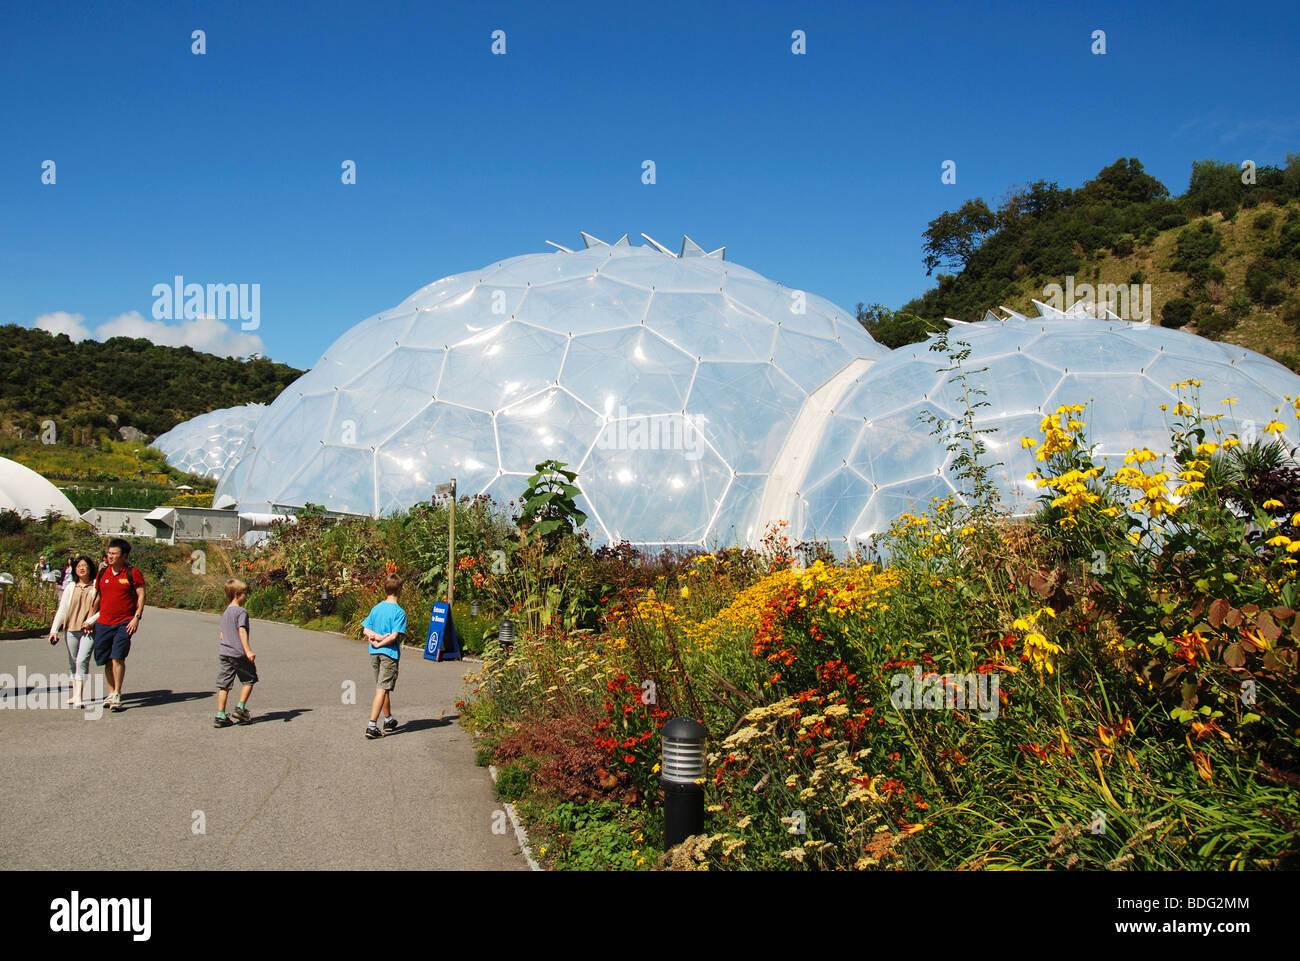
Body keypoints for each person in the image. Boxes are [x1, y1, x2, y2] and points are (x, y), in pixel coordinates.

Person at [92, 538, 145, 712]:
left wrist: (137, 617)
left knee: (117, 657)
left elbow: (141, 594)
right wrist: (90, 618)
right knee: (106, 659)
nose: (110, 556)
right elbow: (98, 597)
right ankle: (110, 692)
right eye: (109, 553)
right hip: (103, 622)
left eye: (114, 554)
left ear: (124, 556)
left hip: (124, 622)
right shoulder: (102, 573)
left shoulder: (132, 573)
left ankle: (117, 693)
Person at [49, 555, 100, 708]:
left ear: (90, 568)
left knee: (82, 660)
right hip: (71, 628)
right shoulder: (71, 587)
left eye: (85, 565)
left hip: (88, 630)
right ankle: (75, 694)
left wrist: (91, 621)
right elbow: (62, 610)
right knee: (73, 662)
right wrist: (54, 630)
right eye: (78, 566)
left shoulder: (96, 586)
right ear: (74, 569)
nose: (82, 568)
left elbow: (104, 609)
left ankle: (79, 696)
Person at [362, 573, 406, 739]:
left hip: (374, 653)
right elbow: (394, 636)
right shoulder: (399, 612)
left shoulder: (376, 608)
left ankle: (388, 720)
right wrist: (382, 641)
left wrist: (376, 639)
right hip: (389, 654)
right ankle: (371, 725)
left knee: (383, 687)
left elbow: (366, 629)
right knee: (382, 688)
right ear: (400, 590)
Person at [214, 579, 257, 727]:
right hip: (238, 653)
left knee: (224, 685)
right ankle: (240, 708)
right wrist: (248, 651)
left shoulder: (225, 612)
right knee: (250, 679)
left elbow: (221, 634)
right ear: (237, 594)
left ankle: (220, 715)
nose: (246, 596)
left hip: (224, 652)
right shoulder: (241, 612)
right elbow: (242, 631)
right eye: (245, 593)